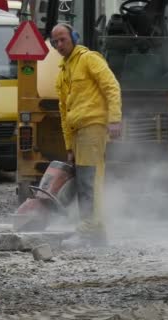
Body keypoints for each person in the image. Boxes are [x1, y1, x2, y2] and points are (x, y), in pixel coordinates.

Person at [51, 23, 122, 246]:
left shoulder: (89, 59)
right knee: (85, 181)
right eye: (55, 42)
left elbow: (111, 87)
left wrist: (114, 119)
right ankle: (96, 234)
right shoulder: (63, 73)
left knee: (89, 180)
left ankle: (89, 230)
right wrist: (69, 146)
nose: (59, 45)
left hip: (93, 126)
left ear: (74, 37)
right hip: (78, 133)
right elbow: (64, 113)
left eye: (62, 39)